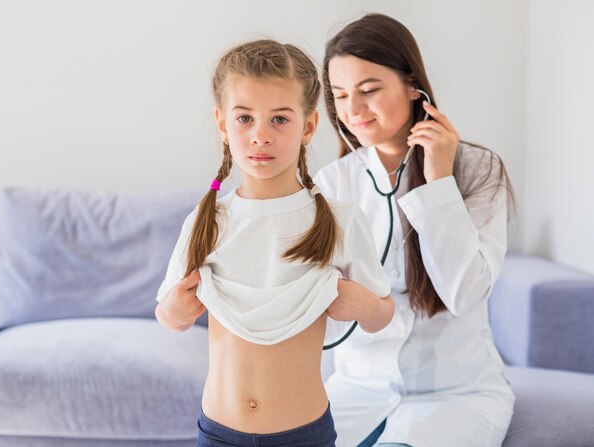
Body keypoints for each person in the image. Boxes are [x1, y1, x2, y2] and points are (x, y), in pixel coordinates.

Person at [154, 39, 395, 447]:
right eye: (244, 118)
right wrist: (176, 308)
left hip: (304, 435)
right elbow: (169, 317)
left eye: (280, 119)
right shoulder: (206, 221)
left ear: (310, 125)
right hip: (218, 434)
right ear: (222, 124)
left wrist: (366, 306)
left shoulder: (337, 220)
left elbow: (381, 314)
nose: (260, 135)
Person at [314, 14, 516, 447]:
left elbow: (463, 294)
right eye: (340, 95)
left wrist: (439, 182)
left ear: (413, 87)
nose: (352, 110)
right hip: (357, 390)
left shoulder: (480, 170)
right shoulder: (332, 184)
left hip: (457, 394)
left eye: (369, 91)